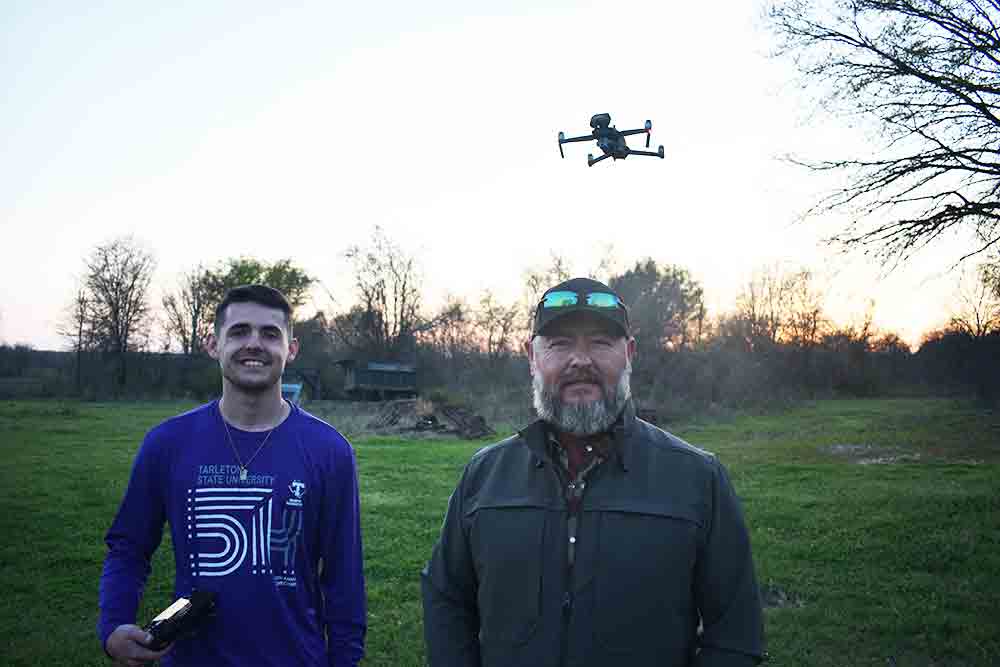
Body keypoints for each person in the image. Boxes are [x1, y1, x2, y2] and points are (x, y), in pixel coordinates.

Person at [422, 277, 764, 667]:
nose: (580, 360)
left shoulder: (699, 480)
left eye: (601, 342)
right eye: (559, 343)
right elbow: (446, 598)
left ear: (629, 353)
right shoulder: (484, 477)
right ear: (532, 357)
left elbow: (736, 634)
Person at [98, 284, 366, 666]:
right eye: (239, 331)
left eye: (270, 333)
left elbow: (344, 580)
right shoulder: (168, 443)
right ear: (213, 344)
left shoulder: (330, 450)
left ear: (291, 349)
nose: (254, 344)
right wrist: (113, 625)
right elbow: (128, 546)